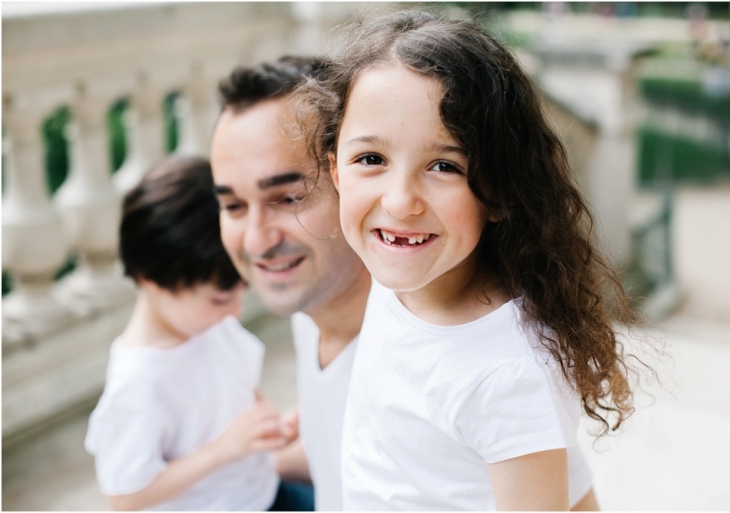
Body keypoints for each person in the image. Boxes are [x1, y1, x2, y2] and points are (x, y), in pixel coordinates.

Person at [299, 10, 645, 510]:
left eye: (444, 166)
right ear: (336, 171)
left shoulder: (507, 372)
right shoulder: (399, 273)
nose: (399, 202)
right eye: (371, 159)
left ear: (501, 191)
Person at [84, 155, 306, 511]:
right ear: (151, 279)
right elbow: (124, 496)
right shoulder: (139, 383)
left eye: (241, 290)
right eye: (220, 298)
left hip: (263, 492)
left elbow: (241, 392)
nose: (235, 310)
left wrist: (270, 428)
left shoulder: (211, 326)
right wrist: (222, 450)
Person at [210, 57, 371, 511]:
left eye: (288, 198)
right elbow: (337, 464)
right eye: (235, 206)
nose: (258, 241)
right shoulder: (312, 309)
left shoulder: (428, 355)